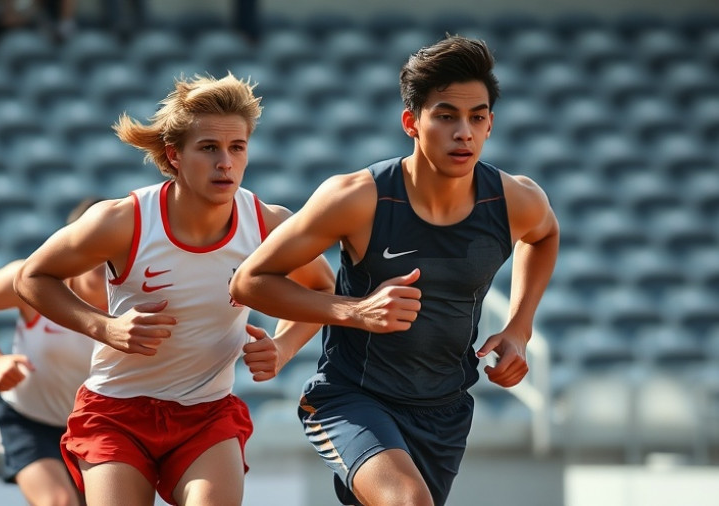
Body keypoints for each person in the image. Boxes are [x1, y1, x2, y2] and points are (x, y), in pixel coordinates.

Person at [229, 35, 560, 506]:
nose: (463, 131)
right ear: (412, 122)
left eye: (477, 117)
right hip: (349, 399)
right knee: (407, 501)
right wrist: (356, 311)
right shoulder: (357, 198)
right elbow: (249, 281)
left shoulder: (513, 201)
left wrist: (520, 327)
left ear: (490, 125)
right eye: (446, 116)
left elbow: (545, 236)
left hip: (444, 409)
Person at [13, 73, 335, 506]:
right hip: (117, 412)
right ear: (174, 155)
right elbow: (30, 278)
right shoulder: (123, 220)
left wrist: (283, 347)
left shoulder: (267, 223)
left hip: (207, 413)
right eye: (208, 148)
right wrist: (105, 328)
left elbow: (321, 286)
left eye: (237, 148)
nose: (226, 162)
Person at [0, 197, 106, 506]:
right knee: (59, 502)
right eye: (97, 240)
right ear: (74, 242)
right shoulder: (35, 280)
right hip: (28, 419)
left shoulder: (143, 294)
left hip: (98, 425)